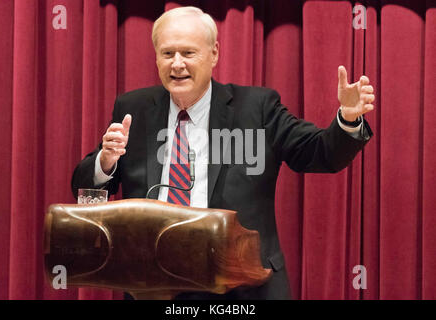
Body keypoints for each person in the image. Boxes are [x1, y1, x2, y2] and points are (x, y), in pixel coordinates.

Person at [71, 6, 374, 299]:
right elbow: (86, 190)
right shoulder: (133, 108)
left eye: (188, 53)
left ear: (213, 53)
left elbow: (321, 153)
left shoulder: (256, 108)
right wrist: (105, 161)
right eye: (167, 54)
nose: (177, 64)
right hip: (154, 287)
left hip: (242, 286)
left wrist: (347, 118)